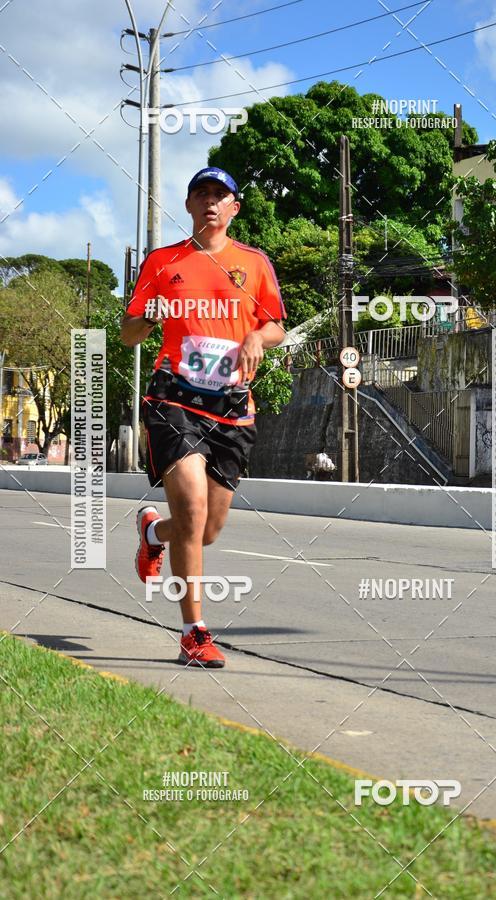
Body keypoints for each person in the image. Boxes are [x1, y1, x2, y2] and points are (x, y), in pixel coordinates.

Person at [121, 166, 287, 668]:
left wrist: (258, 337)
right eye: (201, 194)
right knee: (192, 512)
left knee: (208, 529)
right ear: (189, 205)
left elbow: (276, 324)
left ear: (234, 208)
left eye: (221, 195)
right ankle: (194, 633)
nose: (211, 202)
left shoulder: (253, 264)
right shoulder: (163, 262)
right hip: (174, 398)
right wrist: (148, 316)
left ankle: (153, 534)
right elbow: (129, 333)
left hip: (232, 406)